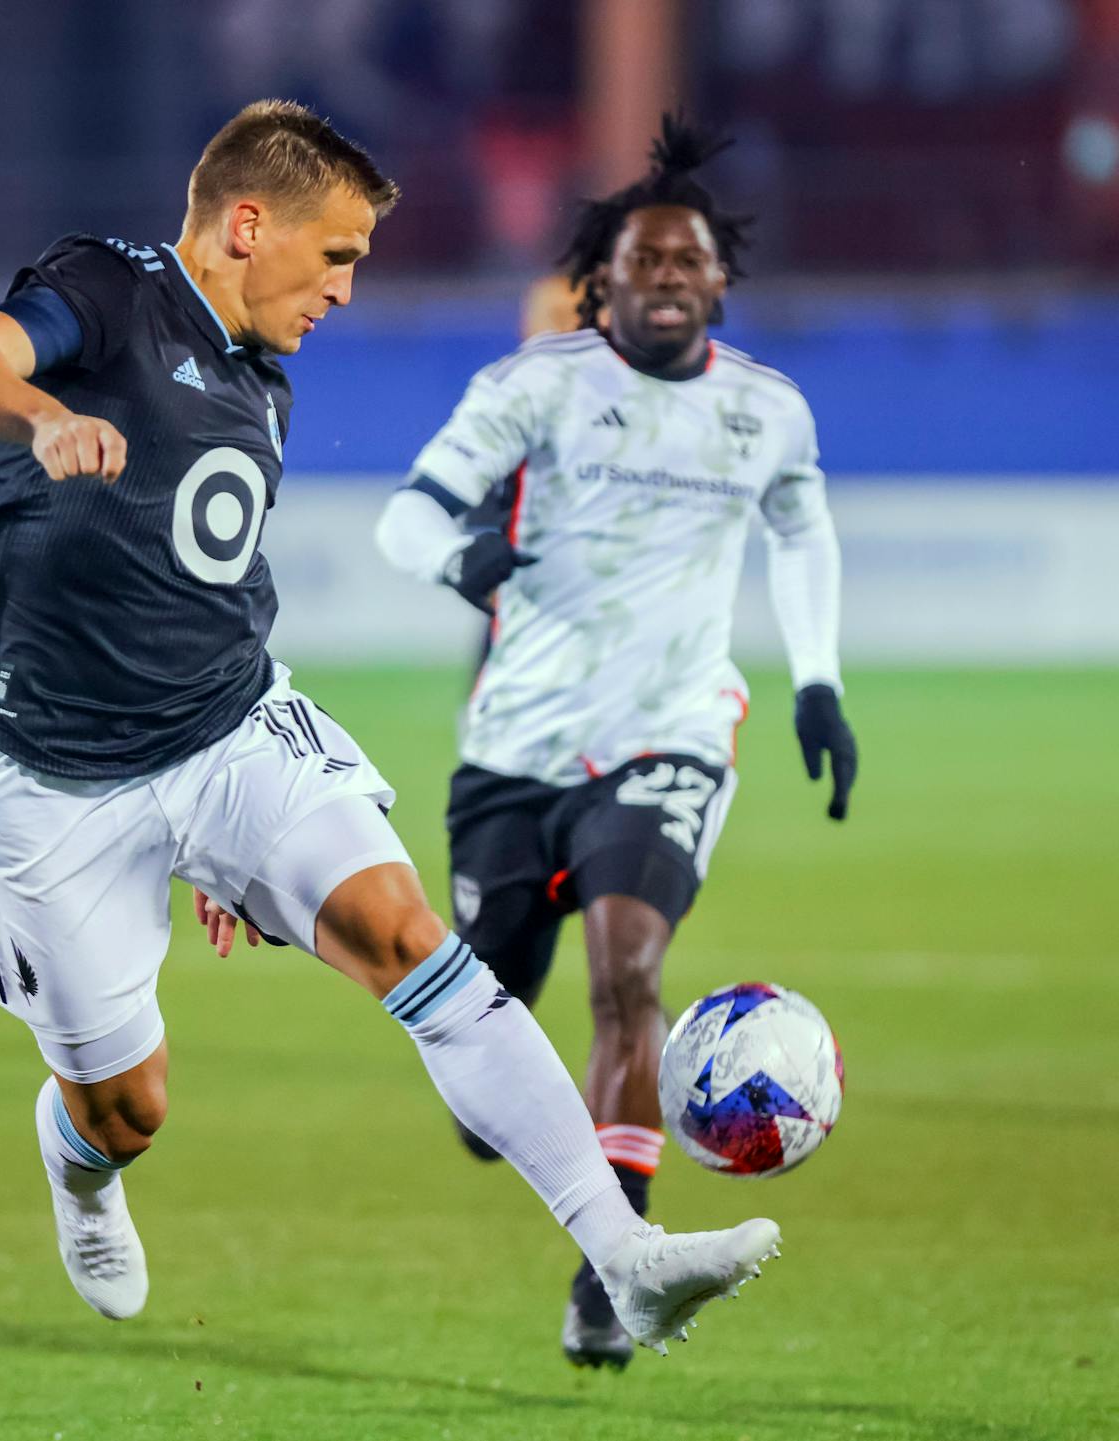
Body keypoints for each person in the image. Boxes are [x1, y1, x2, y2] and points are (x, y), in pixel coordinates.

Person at [0, 98, 780, 1353]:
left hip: (223, 730)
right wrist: (46, 415)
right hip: (46, 778)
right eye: (338, 257)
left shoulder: (262, 387)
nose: (346, 292)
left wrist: (228, 840)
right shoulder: (104, 289)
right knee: (127, 1107)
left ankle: (626, 1254)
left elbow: (198, 581)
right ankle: (82, 1169)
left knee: (406, 932)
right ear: (248, 225)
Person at [372, 116, 856, 1368]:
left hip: (672, 735)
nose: (669, 279)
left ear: (718, 277)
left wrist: (817, 683)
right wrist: (464, 556)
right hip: (515, 747)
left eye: (689, 261)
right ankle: (514, 1113)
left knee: (628, 977)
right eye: (644, 264)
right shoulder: (537, 385)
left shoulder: (768, 412)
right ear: (604, 282)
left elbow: (802, 534)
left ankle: (615, 1272)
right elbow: (404, 518)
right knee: (484, 1018)